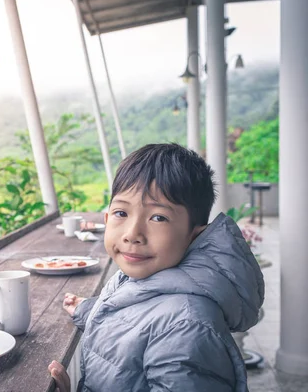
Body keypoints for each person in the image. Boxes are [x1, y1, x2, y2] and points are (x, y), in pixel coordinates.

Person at [48, 143, 264, 392]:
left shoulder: (186, 328)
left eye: (158, 217)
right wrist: (88, 308)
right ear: (106, 219)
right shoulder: (148, 276)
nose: (132, 234)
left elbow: (160, 322)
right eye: (121, 213)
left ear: (195, 237)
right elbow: (136, 314)